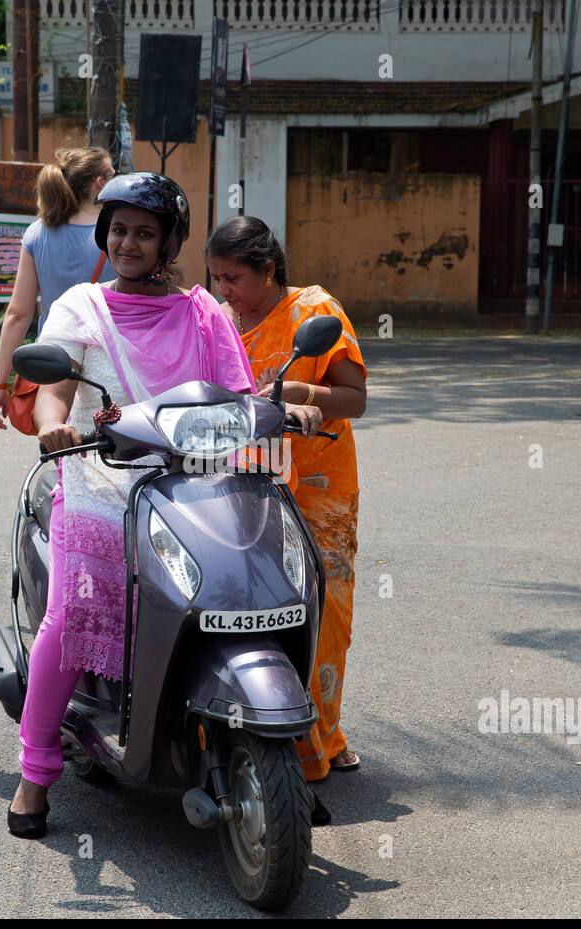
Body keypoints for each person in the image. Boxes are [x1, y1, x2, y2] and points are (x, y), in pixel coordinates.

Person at [7, 174, 324, 839]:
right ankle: (33, 777)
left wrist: (278, 409)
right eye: (118, 230)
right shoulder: (81, 307)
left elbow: (236, 391)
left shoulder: (202, 311)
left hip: (195, 483)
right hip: (98, 481)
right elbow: (54, 388)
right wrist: (52, 422)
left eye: (143, 233)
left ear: (167, 243)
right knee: (71, 617)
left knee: (247, 584)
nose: (128, 242)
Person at [205, 216, 368, 820]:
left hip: (320, 486)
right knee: (244, 605)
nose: (226, 290)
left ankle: (317, 742)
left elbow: (355, 398)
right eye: (217, 277)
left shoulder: (312, 312)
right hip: (238, 480)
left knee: (321, 616)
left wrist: (302, 395)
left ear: (269, 270)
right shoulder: (215, 318)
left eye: (236, 278)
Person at [0, 147, 118, 429]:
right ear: (99, 183)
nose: (117, 178)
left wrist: (0, 383)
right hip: (108, 362)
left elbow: (18, 314)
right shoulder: (118, 235)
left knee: (58, 442)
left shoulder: (38, 232)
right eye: (112, 174)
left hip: (54, 362)